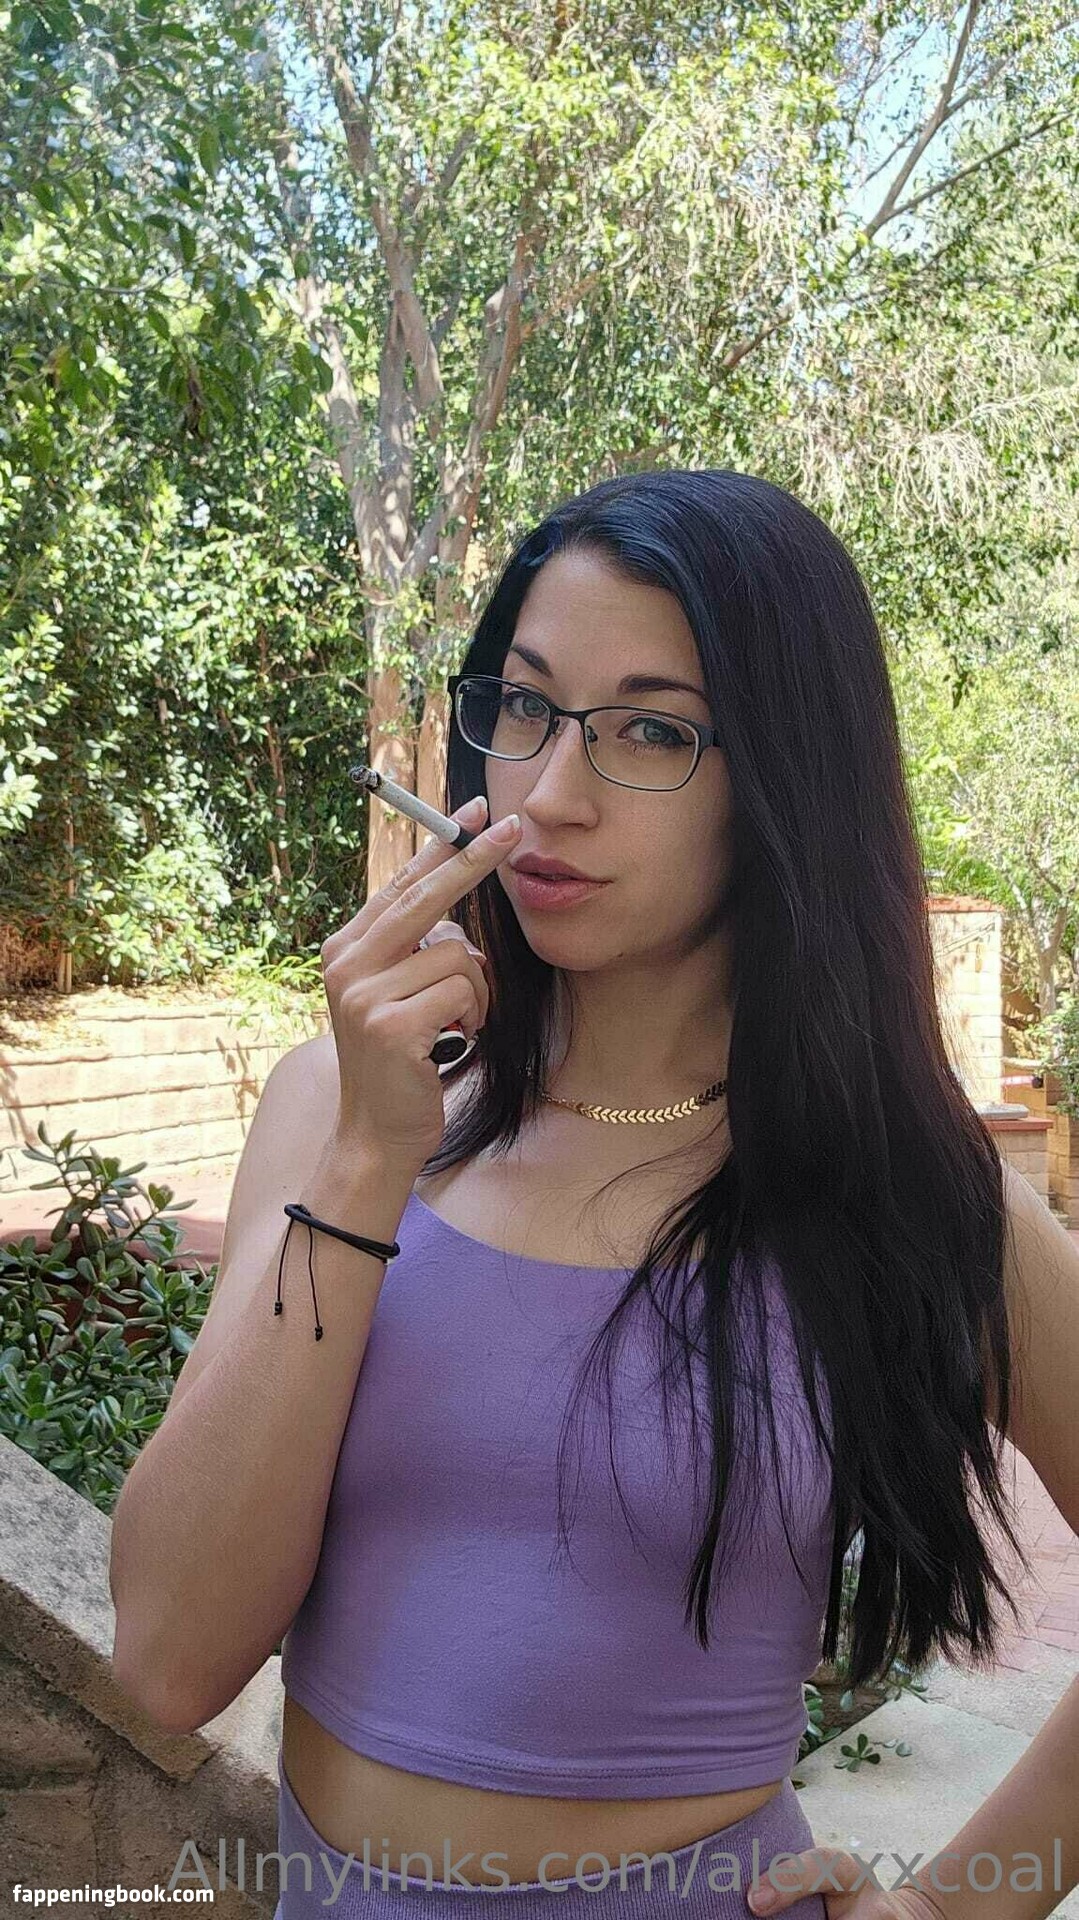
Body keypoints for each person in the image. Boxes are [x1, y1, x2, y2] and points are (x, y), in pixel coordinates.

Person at [109, 469, 1062, 1920]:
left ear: (786, 780)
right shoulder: (336, 1113)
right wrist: (367, 1158)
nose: (550, 793)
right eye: (528, 707)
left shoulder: (902, 1195)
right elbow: (169, 1658)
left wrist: (959, 1903)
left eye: (652, 731)